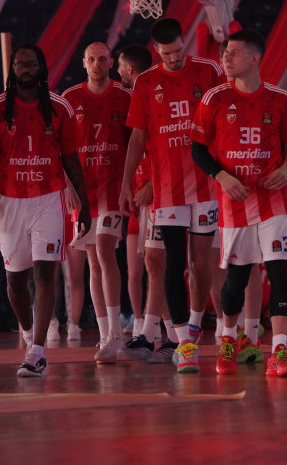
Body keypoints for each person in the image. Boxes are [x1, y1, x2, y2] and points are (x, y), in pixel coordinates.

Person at [190, 29, 287, 377]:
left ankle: (279, 351)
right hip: (234, 203)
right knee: (236, 278)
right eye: (225, 52)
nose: (226, 57)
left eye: (234, 53)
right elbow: (198, 149)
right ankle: (228, 341)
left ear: (255, 59)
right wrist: (221, 176)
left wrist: (286, 169)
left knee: (280, 273)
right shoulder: (215, 98)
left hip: (274, 203)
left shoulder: (280, 99)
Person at [0, 44, 91, 377]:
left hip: (48, 198)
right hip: (9, 201)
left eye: (30, 64)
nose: (25, 69)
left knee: (44, 273)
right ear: (12, 69)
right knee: (16, 280)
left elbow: (71, 158)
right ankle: (29, 334)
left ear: (41, 67)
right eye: (19, 64)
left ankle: (38, 352)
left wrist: (83, 204)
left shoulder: (59, 107)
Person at [118, 18, 224, 373]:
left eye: (179, 51)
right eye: (167, 54)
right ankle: (185, 343)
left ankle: (194, 327)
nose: (175, 58)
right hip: (167, 192)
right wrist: (126, 183)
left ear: (184, 43)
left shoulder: (208, 71)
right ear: (156, 51)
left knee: (201, 264)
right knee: (172, 265)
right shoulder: (146, 83)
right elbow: (137, 137)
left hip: (206, 187)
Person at [61, 42, 132, 363]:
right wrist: (68, 187)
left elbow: (136, 142)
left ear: (111, 62)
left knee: (104, 250)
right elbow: (59, 147)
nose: (97, 64)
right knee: (93, 259)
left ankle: (116, 332)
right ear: (84, 63)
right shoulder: (70, 98)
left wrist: (131, 184)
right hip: (83, 192)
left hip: (113, 188)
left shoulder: (124, 96)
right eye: (92, 59)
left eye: (103, 59)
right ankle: (106, 335)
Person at [116, 44, 153, 339]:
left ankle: (158, 321)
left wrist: (150, 186)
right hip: (135, 202)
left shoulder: (151, 96)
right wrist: (128, 187)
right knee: (134, 269)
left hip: (158, 200)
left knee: (157, 266)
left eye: (119, 66)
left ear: (129, 68)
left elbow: (166, 151)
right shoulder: (129, 99)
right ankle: (139, 319)